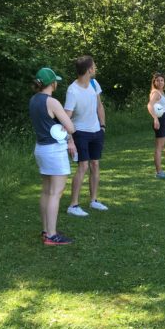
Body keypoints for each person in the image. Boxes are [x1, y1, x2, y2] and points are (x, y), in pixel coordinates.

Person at [29, 67, 77, 245]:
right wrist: (66, 126)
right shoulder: (52, 102)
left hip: (40, 148)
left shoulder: (33, 100)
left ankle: (45, 230)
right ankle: (51, 235)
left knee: (46, 191)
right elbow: (71, 128)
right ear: (53, 83)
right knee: (56, 193)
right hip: (54, 150)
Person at [64, 56, 108, 217]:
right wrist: (69, 139)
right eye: (94, 66)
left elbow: (99, 106)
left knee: (95, 164)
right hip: (79, 132)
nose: (95, 68)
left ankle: (94, 201)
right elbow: (66, 116)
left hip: (96, 131)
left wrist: (102, 126)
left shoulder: (94, 84)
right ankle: (73, 205)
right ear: (89, 69)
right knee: (83, 166)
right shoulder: (72, 90)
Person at [147, 72, 165, 178]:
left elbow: (164, 109)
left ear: (164, 82)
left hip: (164, 119)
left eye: (162, 80)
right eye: (157, 80)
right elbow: (150, 105)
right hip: (159, 120)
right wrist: (155, 119)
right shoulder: (155, 93)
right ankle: (159, 172)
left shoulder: (161, 92)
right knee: (159, 147)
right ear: (154, 82)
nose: (160, 82)